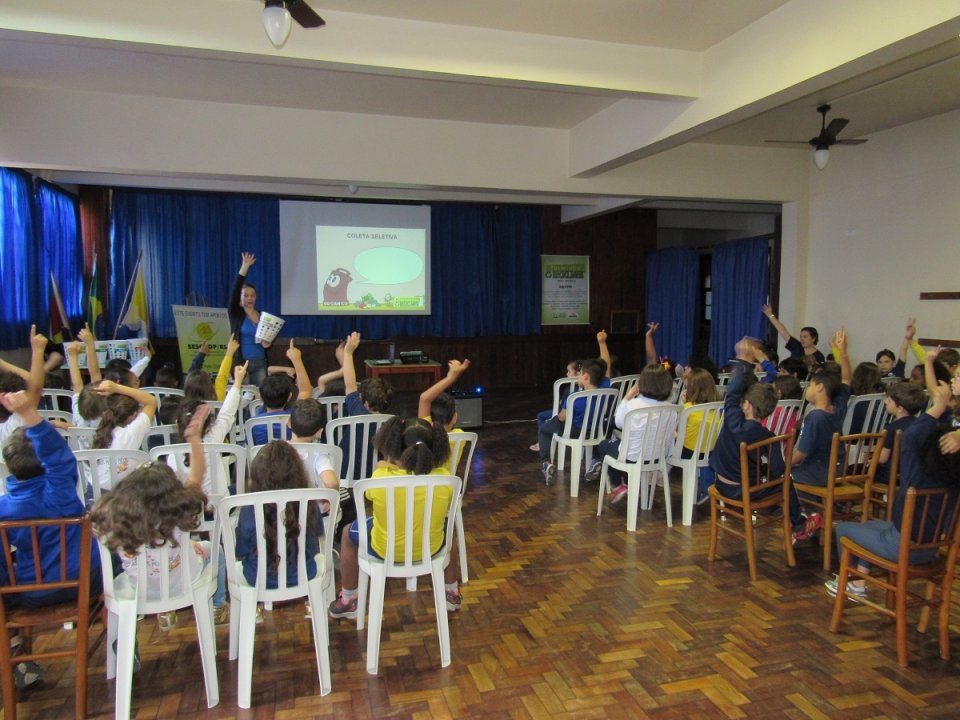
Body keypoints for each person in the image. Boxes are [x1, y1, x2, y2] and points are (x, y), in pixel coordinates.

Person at [0, 388, 102, 689]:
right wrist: (31, 416)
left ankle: (19, 652)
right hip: (87, 580)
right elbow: (60, 460)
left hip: (32, 591)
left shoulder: (4, 509)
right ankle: (122, 645)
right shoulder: (60, 495)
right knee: (117, 565)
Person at [90, 404, 229, 624]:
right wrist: (194, 438)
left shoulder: (113, 521)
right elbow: (196, 474)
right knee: (215, 550)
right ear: (171, 489)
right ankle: (218, 606)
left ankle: (160, 619)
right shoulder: (179, 510)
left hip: (139, 590)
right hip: (185, 581)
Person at [827, 382, 960, 600]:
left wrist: (938, 406)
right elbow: (916, 433)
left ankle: (849, 585)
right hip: (930, 549)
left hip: (902, 546)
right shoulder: (951, 479)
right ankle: (860, 580)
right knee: (869, 525)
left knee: (844, 529)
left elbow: (911, 437)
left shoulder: (915, 478)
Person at [328, 417, 461, 619]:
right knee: (449, 533)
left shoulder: (380, 477)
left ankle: (349, 598)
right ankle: (451, 591)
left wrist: (384, 467)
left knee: (348, 533)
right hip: (431, 548)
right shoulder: (445, 479)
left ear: (394, 448)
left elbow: (370, 496)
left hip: (384, 549)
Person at [707, 338, 822, 545]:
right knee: (785, 482)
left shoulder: (732, 419)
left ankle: (797, 520)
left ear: (747, 405)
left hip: (720, 484)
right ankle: (799, 524)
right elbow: (777, 469)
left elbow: (732, 394)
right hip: (745, 491)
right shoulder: (768, 436)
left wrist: (743, 361)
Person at [233, 440, 324, 596]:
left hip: (257, 579)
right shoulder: (309, 505)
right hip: (304, 574)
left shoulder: (249, 511)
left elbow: (242, 550)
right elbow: (314, 545)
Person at [589, 363, 674, 503]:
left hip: (632, 457)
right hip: (658, 456)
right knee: (625, 446)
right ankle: (630, 483)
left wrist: (627, 397)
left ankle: (617, 485)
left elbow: (618, 423)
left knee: (603, 445)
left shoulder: (634, 405)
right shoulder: (672, 408)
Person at [790, 328, 852, 489]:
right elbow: (846, 378)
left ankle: (805, 510)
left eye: (810, 386)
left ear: (820, 388)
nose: (807, 390)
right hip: (836, 470)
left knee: (776, 476)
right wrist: (843, 352)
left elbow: (801, 453)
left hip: (815, 473)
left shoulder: (814, 417)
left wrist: (783, 464)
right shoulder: (837, 406)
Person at [538, 356, 610, 486]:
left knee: (544, 429)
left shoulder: (574, 398)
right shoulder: (606, 387)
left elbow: (562, 417)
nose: (578, 377)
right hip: (596, 431)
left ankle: (546, 462)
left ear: (586, 376)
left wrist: (559, 415)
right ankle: (595, 460)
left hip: (576, 432)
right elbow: (605, 370)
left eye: (580, 374)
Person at [90, 379, 157, 494]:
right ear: (134, 415)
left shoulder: (100, 426)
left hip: (93, 491)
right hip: (121, 496)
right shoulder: (131, 433)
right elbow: (151, 401)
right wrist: (117, 387)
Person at [228, 252, 273, 386]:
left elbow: (267, 342)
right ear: (241, 298)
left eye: (252, 296)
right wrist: (245, 267)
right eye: (246, 295)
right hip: (242, 363)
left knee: (260, 397)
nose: (249, 298)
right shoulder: (236, 313)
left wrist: (268, 342)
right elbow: (235, 289)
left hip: (260, 362)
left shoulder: (262, 315)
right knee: (244, 399)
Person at [761, 303, 825, 370]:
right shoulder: (797, 346)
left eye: (805, 337)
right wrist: (770, 315)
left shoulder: (819, 356)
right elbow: (783, 331)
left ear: (813, 339)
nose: (802, 339)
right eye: (801, 337)